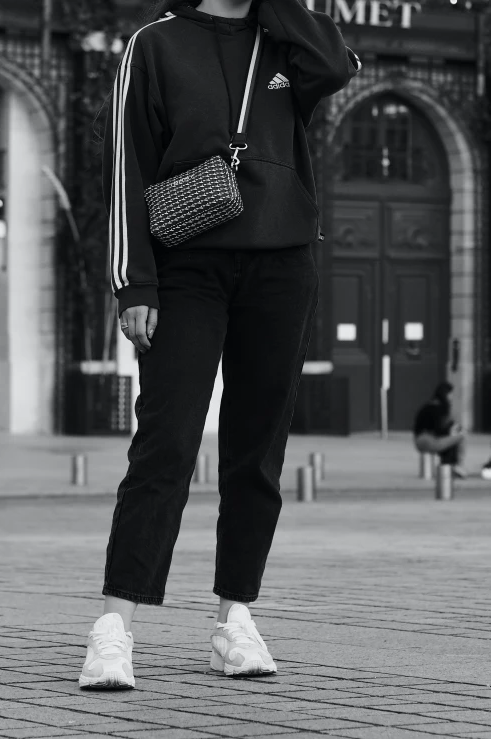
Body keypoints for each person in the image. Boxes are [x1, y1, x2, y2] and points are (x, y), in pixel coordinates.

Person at [79, 0, 361, 690]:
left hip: (282, 263)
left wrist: (279, 7)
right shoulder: (155, 44)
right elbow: (129, 166)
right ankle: (114, 625)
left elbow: (336, 65)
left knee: (256, 448)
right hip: (187, 269)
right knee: (167, 442)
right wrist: (132, 285)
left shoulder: (286, 40)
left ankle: (234, 616)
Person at [413, 381, 467, 479]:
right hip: (429, 440)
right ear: (445, 394)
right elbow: (439, 430)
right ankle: (453, 466)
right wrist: (453, 431)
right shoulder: (439, 409)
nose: (451, 398)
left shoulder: (428, 406)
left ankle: (448, 467)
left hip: (419, 441)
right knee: (459, 437)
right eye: (450, 394)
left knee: (451, 439)